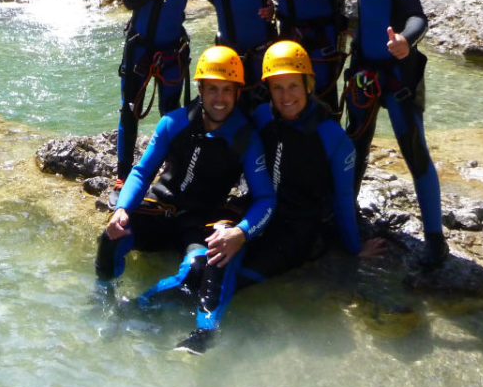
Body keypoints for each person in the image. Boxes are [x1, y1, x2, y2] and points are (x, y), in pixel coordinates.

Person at [160, 40, 385, 354]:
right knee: (212, 256)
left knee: (235, 279)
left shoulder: (334, 139)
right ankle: (158, 315)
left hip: (295, 229)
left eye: (293, 86)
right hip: (256, 209)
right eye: (277, 88)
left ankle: (202, 334)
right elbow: (223, 134)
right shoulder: (263, 115)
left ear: (309, 85)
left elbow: (344, 200)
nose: (286, 96)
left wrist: (353, 248)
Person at [95, 46, 276, 353]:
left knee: (202, 267)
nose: (220, 99)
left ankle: (199, 332)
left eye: (227, 91)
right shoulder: (173, 123)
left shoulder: (246, 137)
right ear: (201, 90)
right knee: (111, 236)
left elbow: (265, 198)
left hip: (201, 220)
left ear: (237, 93)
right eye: (213, 89)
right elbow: (141, 173)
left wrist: (240, 232)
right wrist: (123, 209)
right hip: (162, 208)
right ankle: (102, 296)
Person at [342, 0, 448, 269]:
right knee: (355, 148)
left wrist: (406, 39)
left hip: (397, 77)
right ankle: (348, 216)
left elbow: (417, 15)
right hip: (364, 75)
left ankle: (435, 239)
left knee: (415, 154)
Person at [114, 0, 206, 198]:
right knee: (130, 110)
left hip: (171, 54)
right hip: (139, 50)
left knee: (171, 115)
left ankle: (171, 175)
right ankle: (123, 176)